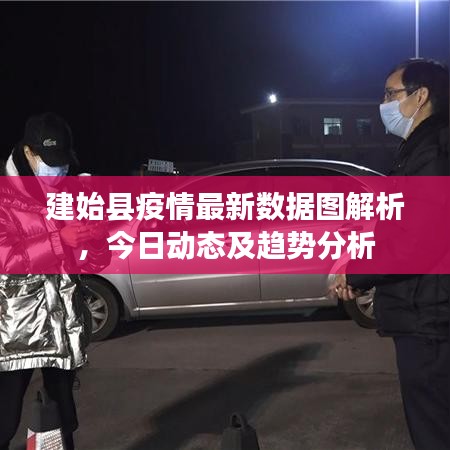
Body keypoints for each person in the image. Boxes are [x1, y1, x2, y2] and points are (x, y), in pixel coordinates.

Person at [331, 58, 449, 450]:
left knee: (434, 428)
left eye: (390, 94)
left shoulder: (432, 151)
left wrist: (356, 273)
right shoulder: (423, 148)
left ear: (421, 95)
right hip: (429, 311)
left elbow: (418, 241)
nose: (383, 104)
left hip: (429, 318)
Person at [0, 112, 110, 450]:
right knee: (4, 419)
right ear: (28, 153)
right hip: (14, 333)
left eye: (63, 162)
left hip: (62, 326)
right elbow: (6, 259)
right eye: (51, 162)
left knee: (63, 420)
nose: (59, 170)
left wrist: (95, 241)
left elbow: (94, 261)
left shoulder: (70, 192)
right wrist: (59, 240)